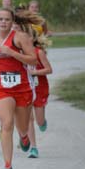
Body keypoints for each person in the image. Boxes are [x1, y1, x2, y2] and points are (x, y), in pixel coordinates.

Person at [0, 8, 41, 169]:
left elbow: (33, 60)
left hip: (22, 87)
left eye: (7, 19)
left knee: (22, 127)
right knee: (7, 124)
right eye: (0, 19)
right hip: (1, 87)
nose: (3, 22)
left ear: (12, 21)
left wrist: (13, 53)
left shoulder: (20, 37)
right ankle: (8, 166)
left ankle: (23, 136)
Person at [26, 30, 53, 158]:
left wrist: (35, 73)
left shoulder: (39, 52)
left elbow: (49, 69)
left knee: (38, 120)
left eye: (29, 36)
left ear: (34, 38)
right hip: (25, 89)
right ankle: (33, 148)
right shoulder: (19, 53)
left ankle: (42, 122)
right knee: (28, 119)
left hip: (39, 88)